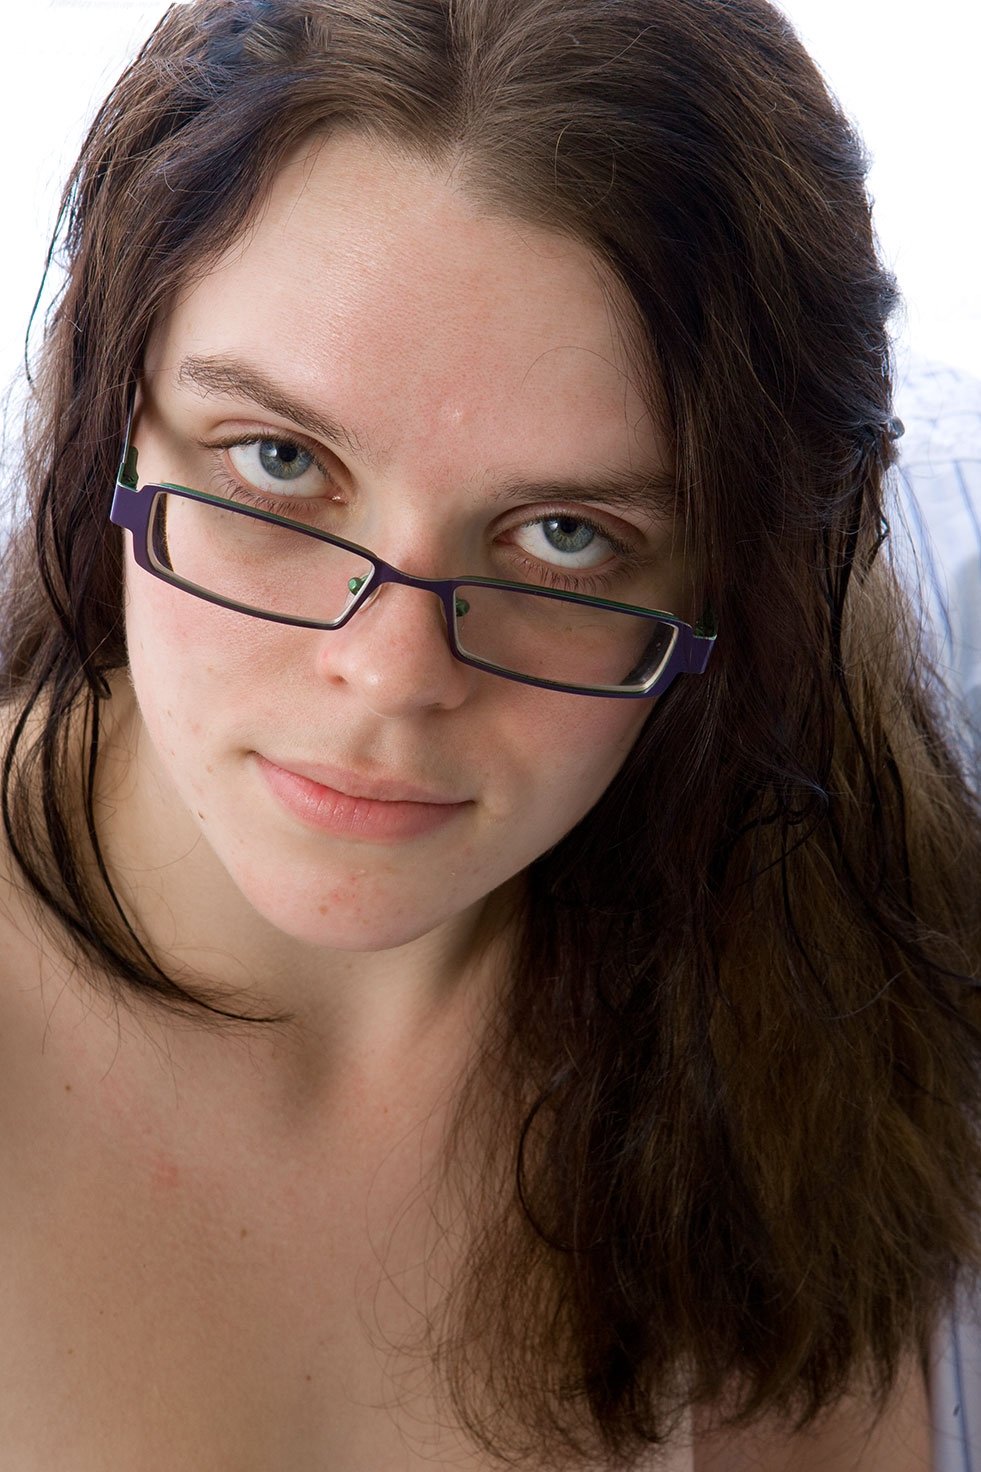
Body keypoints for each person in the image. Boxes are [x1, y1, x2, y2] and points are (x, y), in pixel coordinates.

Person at [0, 0, 978, 1466]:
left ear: (731, 588)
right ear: (109, 415)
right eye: (278, 462)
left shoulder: (813, 1028)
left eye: (565, 535)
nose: (392, 677)